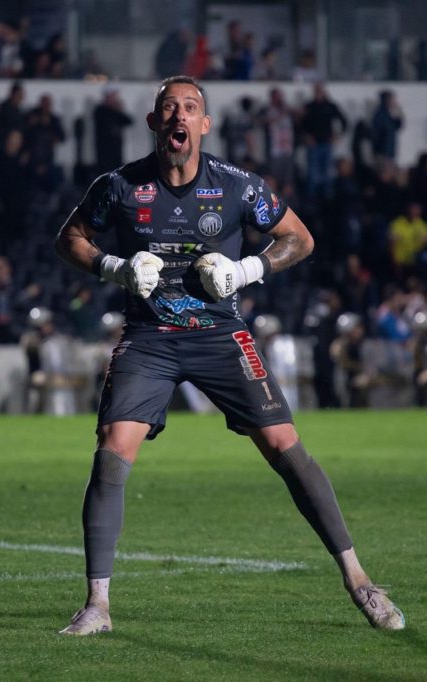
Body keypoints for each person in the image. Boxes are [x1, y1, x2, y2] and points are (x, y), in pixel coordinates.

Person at [53, 76, 405, 636]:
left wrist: (248, 269)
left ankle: (360, 581)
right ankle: (97, 606)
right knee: (113, 448)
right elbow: (68, 238)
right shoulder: (119, 186)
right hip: (149, 337)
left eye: (190, 108)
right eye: (169, 108)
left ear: (204, 124)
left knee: (285, 445)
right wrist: (114, 267)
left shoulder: (238, 187)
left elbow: (301, 239)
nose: (179, 117)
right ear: (154, 123)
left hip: (221, 334)